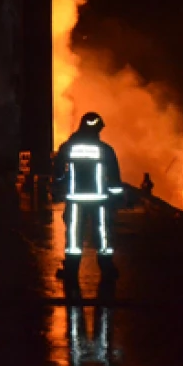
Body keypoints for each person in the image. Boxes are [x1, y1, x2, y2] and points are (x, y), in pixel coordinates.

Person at [53, 112, 122, 283]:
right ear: (98, 128)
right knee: (103, 233)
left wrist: (59, 185)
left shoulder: (68, 147)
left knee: (74, 235)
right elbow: (114, 178)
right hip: (99, 200)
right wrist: (116, 198)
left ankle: (71, 269)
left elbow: (58, 173)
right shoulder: (106, 149)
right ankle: (107, 268)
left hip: (75, 199)